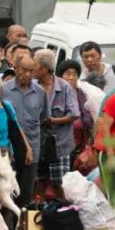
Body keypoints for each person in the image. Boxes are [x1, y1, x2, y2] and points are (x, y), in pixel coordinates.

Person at [1, 55, 48, 204]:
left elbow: (43, 117)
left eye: (30, 71)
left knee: (26, 193)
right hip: (10, 149)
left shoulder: (40, 92)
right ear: (15, 69)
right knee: (6, 191)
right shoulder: (3, 90)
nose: (27, 74)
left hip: (32, 148)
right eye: (23, 70)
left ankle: (22, 224)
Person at [34, 49, 81, 196]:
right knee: (38, 184)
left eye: (35, 65)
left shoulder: (64, 87)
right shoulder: (32, 86)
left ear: (45, 68)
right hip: (37, 145)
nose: (32, 68)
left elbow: (74, 114)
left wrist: (52, 121)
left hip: (59, 145)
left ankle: (63, 214)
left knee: (60, 185)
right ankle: (37, 215)